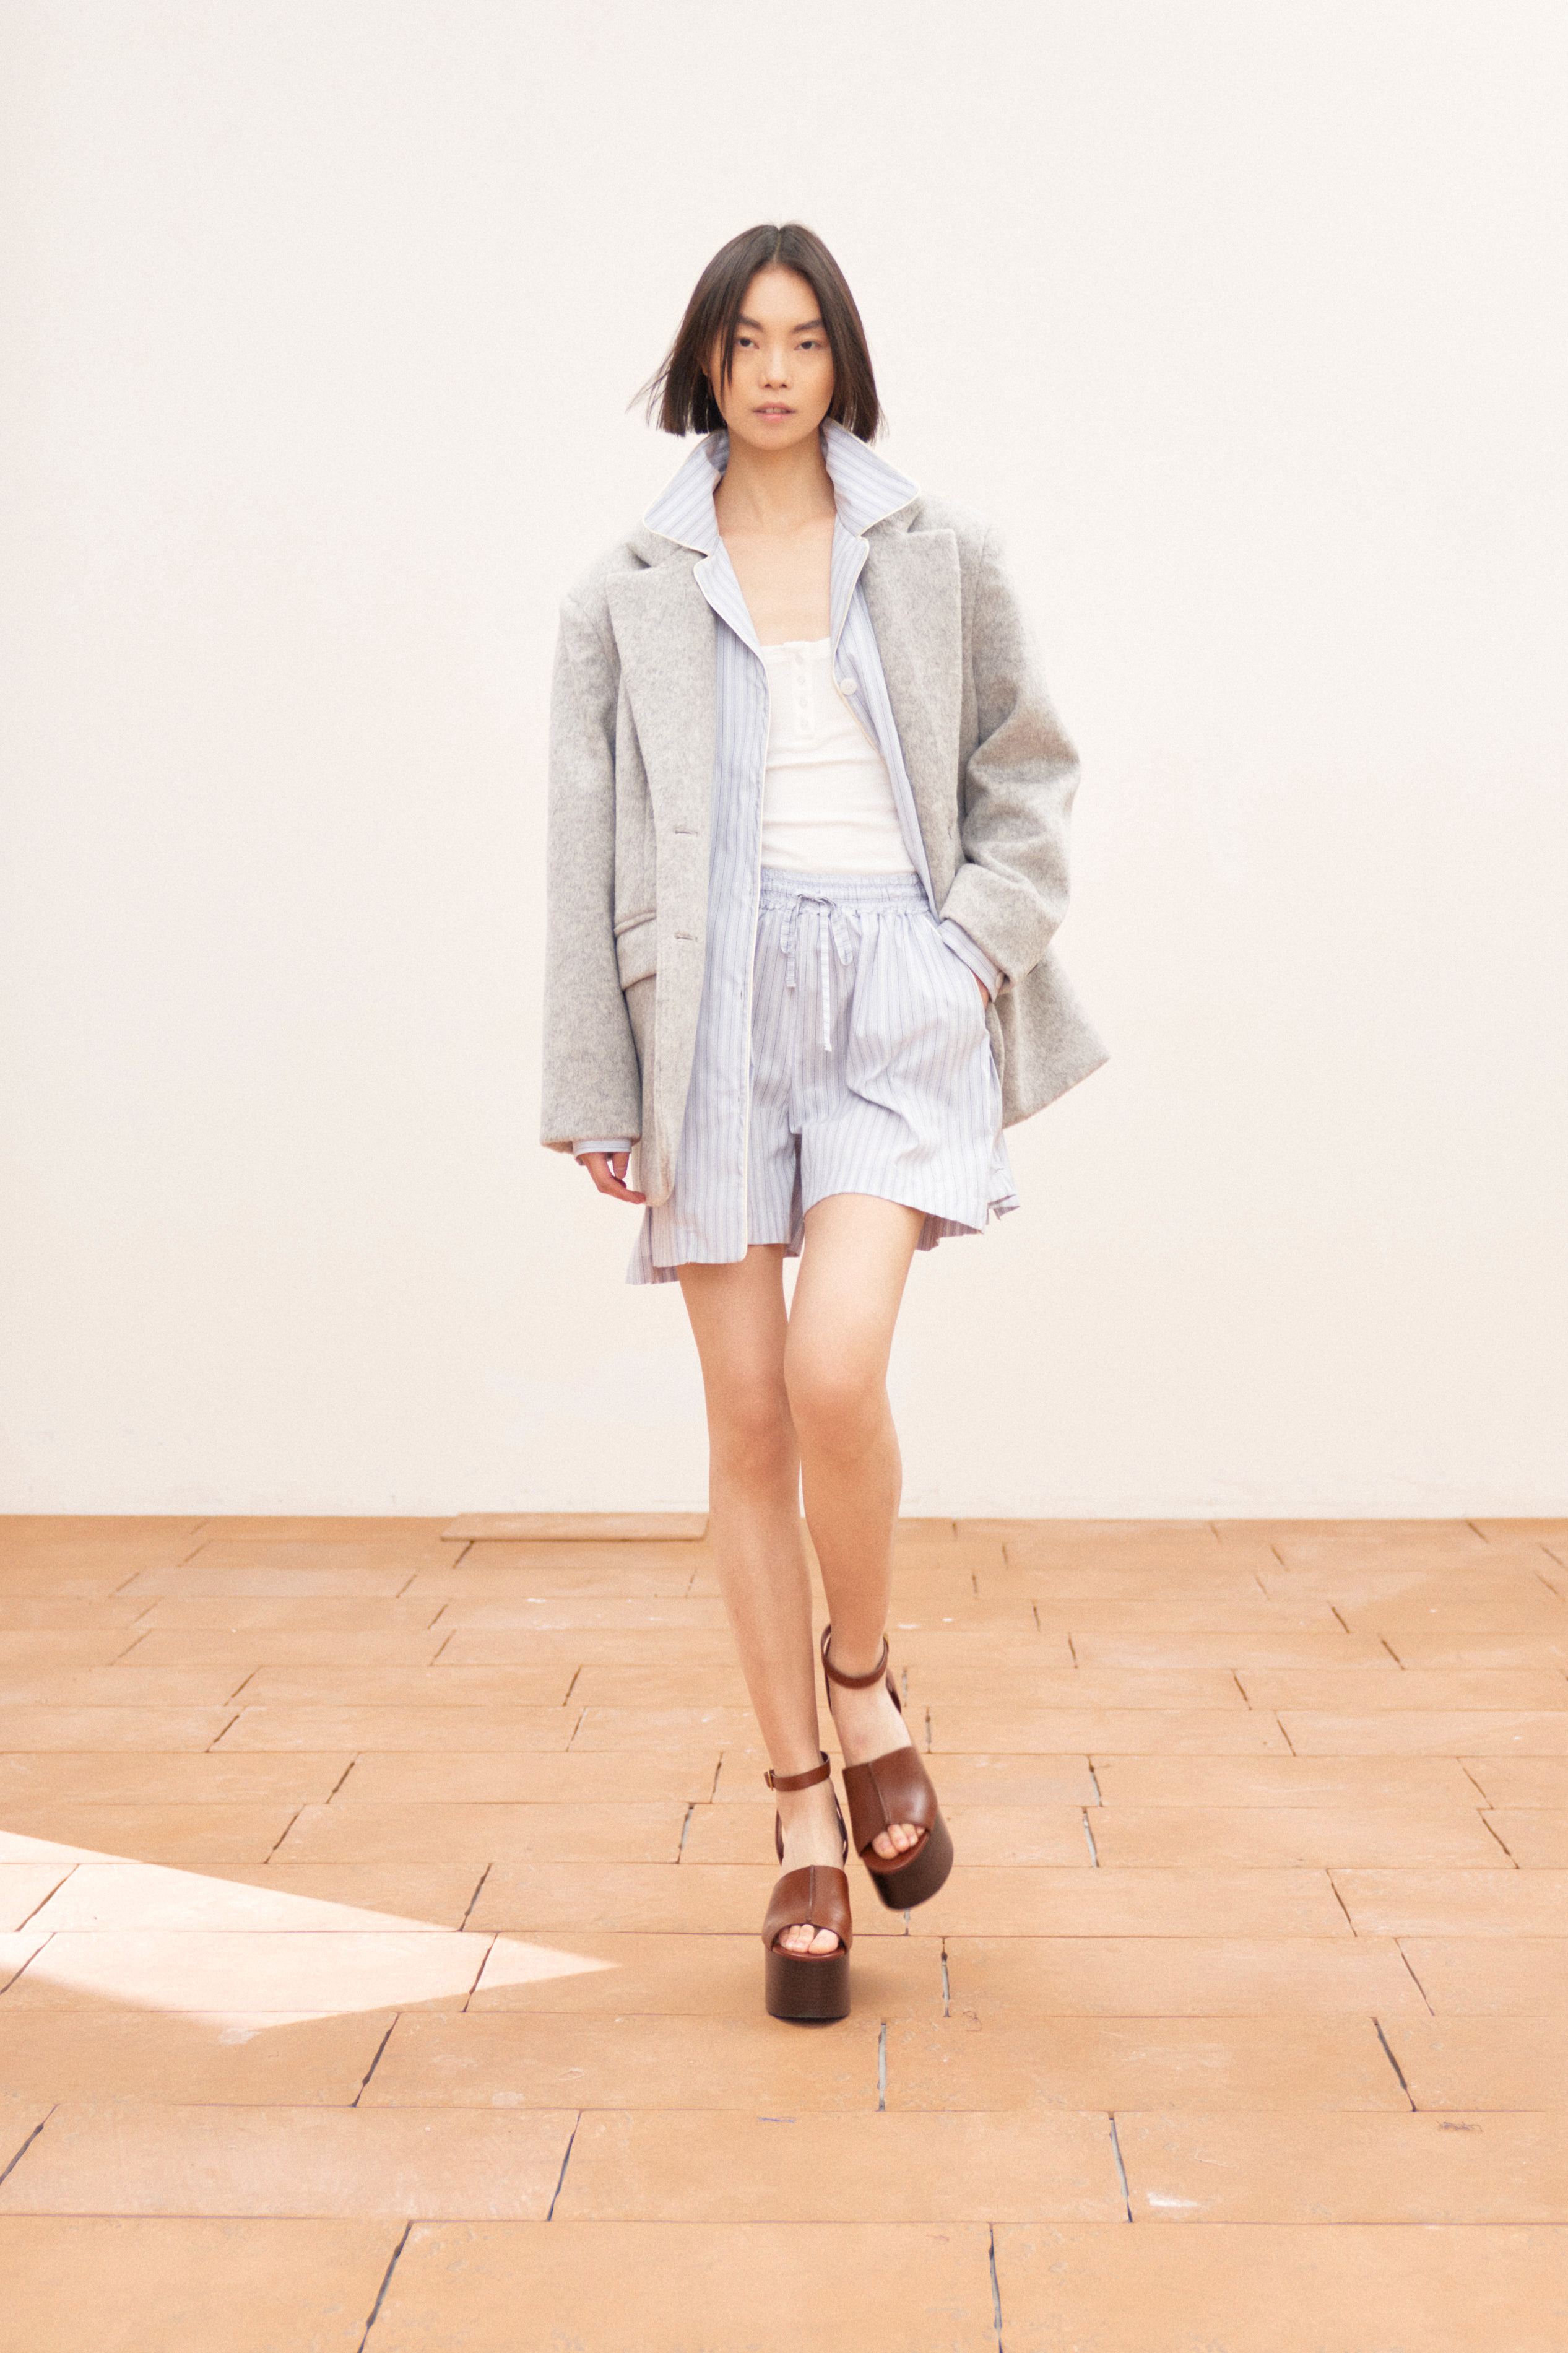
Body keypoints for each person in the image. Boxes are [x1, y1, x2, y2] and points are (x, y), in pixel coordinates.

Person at [542, 223, 1104, 2022]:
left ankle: (864, 1680)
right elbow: (585, 850)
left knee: (837, 1369)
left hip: (897, 990)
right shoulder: (625, 588)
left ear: (841, 362)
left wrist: (971, 953)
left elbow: (1028, 769)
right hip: (708, 1013)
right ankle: (800, 1809)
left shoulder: (937, 549)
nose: (775, 372)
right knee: (749, 1414)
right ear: (704, 366)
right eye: (746, 343)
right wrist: (595, 1082)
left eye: (803, 341)